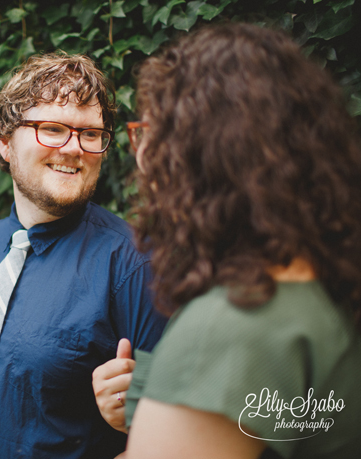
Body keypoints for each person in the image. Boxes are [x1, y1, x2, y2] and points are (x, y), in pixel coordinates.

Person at [118, 23, 361, 458]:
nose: (140, 154)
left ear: (202, 151)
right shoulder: (323, 288)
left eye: (151, 131)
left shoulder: (229, 328)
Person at [0, 53, 167, 458]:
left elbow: (175, 439)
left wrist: (137, 418)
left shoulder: (134, 266)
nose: (73, 148)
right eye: (53, 129)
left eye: (90, 134)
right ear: (5, 142)